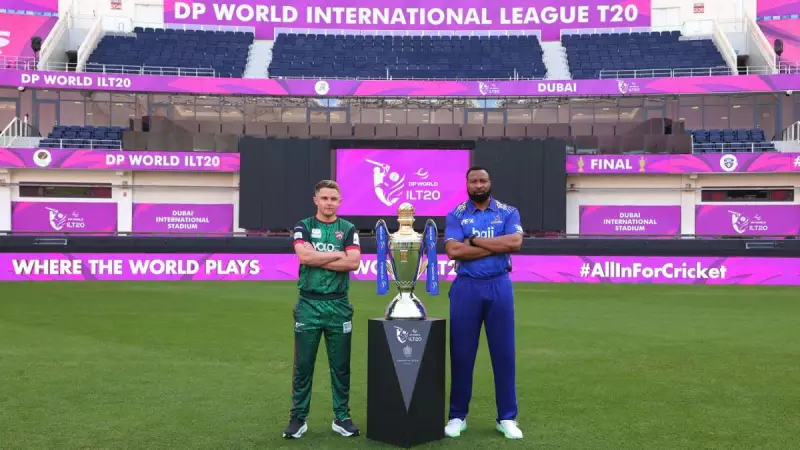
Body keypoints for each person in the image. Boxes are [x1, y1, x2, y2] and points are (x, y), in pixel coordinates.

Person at [442, 166, 524, 440]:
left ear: (490, 182)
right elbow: (454, 250)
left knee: (504, 353)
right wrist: (495, 246)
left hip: (499, 285)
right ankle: (457, 416)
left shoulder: (508, 212)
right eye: (473, 181)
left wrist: (475, 241)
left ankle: (507, 417)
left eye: (482, 180)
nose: (478, 185)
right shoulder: (456, 214)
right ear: (467, 184)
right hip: (466, 287)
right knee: (461, 353)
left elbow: (514, 242)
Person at [283, 179, 362, 440]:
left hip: (339, 305)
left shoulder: (348, 229)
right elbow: (304, 257)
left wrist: (319, 258)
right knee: (303, 365)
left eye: (333, 199)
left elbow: (353, 263)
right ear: (316, 200)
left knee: (341, 366)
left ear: (340, 202)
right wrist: (338, 255)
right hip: (308, 304)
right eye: (325, 198)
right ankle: (298, 418)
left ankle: (342, 417)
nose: (329, 203)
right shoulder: (304, 226)